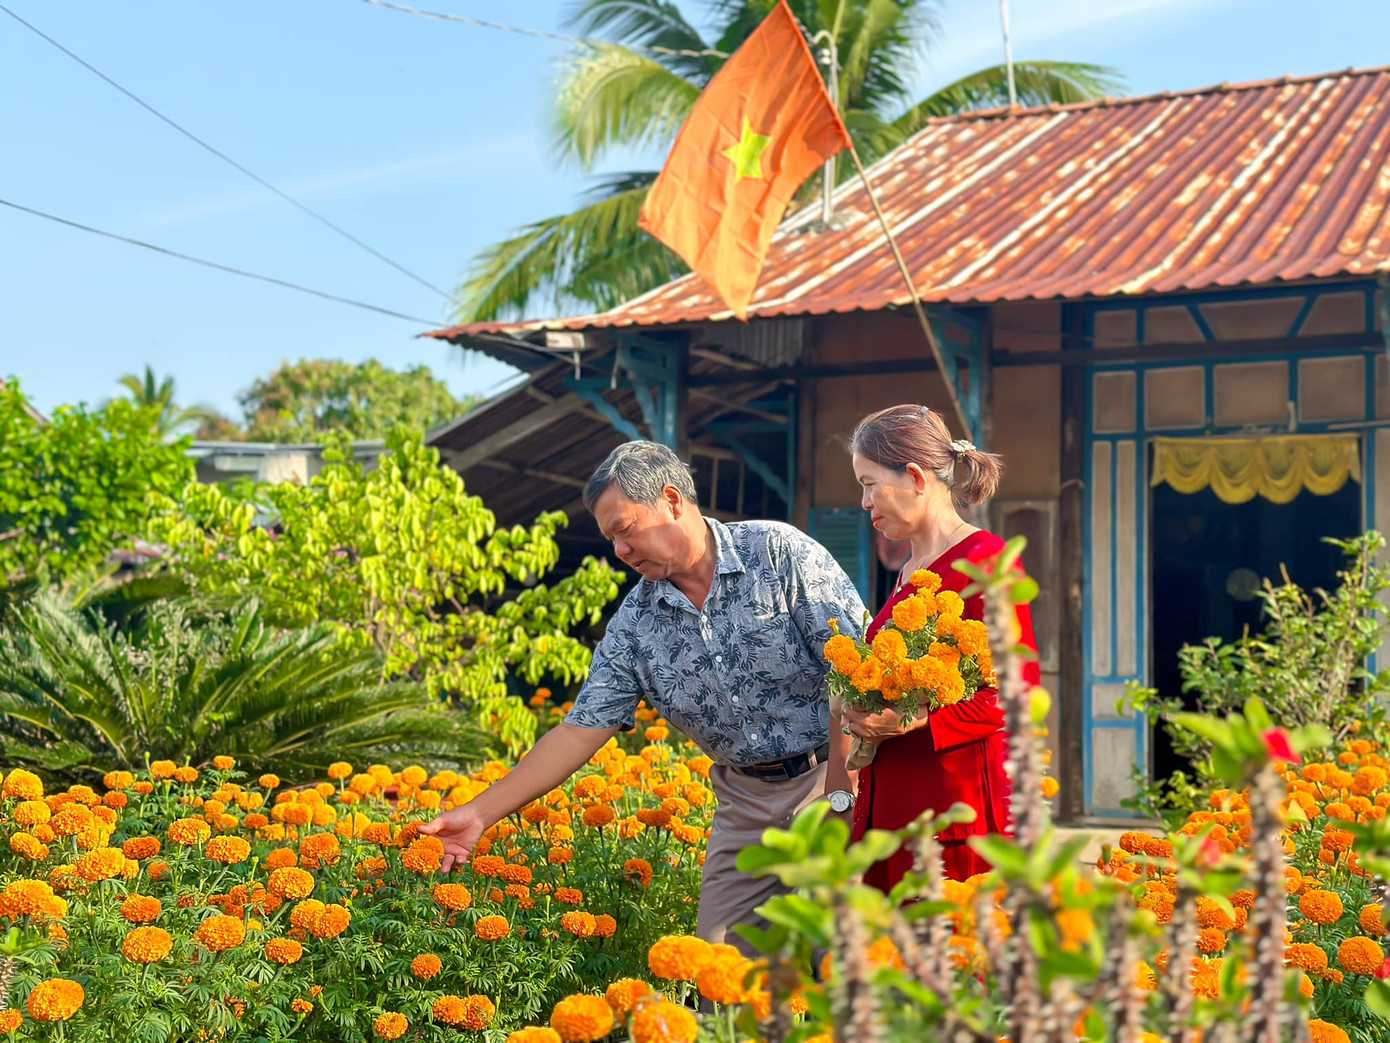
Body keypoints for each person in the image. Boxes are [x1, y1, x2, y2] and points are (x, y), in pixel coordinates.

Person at [421, 440, 866, 954]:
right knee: (721, 973)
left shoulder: (779, 553)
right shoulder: (636, 623)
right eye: (612, 539)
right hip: (744, 803)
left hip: (832, 776)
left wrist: (843, 790)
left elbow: (853, 673)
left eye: (625, 531)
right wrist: (479, 813)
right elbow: (580, 728)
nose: (620, 552)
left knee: (850, 967)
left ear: (672, 500)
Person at [824, 405, 1040, 890]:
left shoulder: (986, 561)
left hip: (950, 818)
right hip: (893, 809)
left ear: (916, 477)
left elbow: (1014, 696)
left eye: (869, 483)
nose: (864, 502)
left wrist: (914, 719)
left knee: (950, 958)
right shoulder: (909, 570)